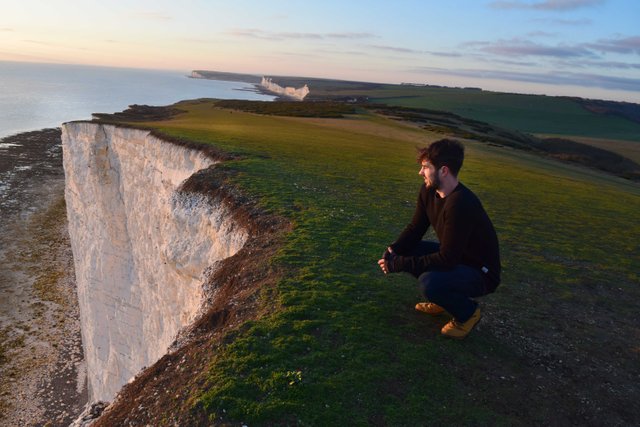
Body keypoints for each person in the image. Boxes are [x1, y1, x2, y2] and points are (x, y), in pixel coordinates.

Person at [378, 138, 500, 339]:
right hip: (456, 257)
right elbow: (416, 228)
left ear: (444, 170)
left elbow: (448, 259)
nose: (420, 172)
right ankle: (443, 298)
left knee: (430, 283)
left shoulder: (460, 204)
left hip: (480, 272)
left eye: (426, 167)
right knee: (408, 251)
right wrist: (394, 250)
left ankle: (468, 313)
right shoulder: (428, 191)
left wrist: (400, 264)